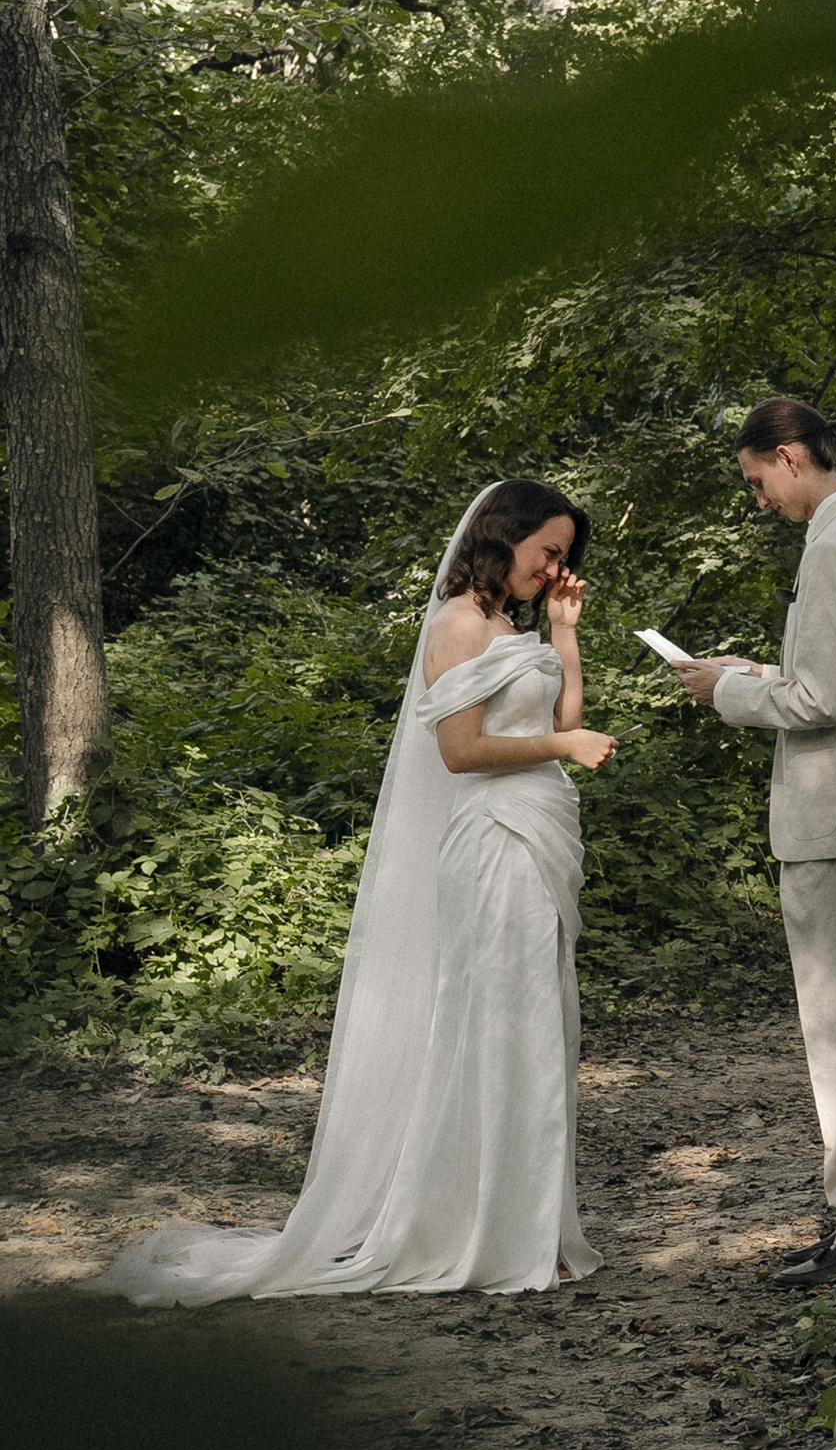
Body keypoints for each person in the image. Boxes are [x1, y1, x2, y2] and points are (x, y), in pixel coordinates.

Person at [87, 480, 617, 1306]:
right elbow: (462, 752)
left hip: (539, 833)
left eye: (564, 557)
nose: (557, 568)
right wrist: (564, 743)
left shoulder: (515, 625)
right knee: (496, 1025)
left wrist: (565, 637)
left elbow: (560, 716)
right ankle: (475, 1232)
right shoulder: (457, 626)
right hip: (492, 842)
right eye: (548, 551)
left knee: (538, 1023)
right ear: (502, 537)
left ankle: (529, 1228)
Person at [670, 397, 836, 1288]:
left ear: (787, 457)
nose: (758, 500)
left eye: (755, 481)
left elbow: (819, 704)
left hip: (831, 817)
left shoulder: (832, 548)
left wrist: (723, 694)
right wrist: (759, 673)